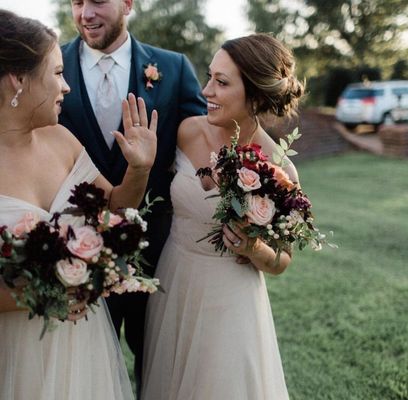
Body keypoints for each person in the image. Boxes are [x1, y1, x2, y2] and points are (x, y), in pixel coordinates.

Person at [0, 10, 157, 400]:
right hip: (12, 352)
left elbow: (117, 209)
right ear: (18, 80)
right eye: (56, 73)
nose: (66, 86)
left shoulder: (62, 140)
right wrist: (48, 294)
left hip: (80, 344)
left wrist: (139, 169)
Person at [141, 33, 304, 400]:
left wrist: (254, 248)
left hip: (230, 294)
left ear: (256, 94)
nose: (206, 90)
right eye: (209, 76)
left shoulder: (279, 169)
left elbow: (282, 260)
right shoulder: (187, 132)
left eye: (221, 82)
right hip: (175, 279)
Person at [58, 0, 207, 390]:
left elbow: (208, 141)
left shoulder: (172, 68)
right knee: (80, 370)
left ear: (127, 4)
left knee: (158, 363)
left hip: (155, 249)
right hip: (72, 252)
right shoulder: (49, 66)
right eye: (76, 2)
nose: (85, 14)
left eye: (98, 1)